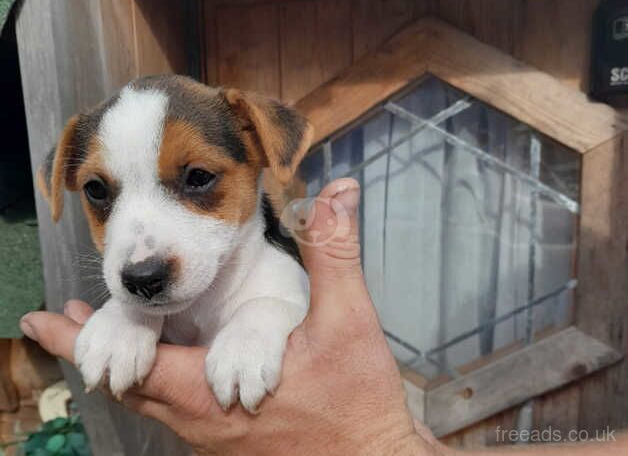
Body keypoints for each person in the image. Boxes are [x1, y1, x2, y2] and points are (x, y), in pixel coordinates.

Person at [20, 179, 627, 455]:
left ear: (263, 160)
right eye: (101, 193)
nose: (141, 246)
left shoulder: (272, 271)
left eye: (197, 180)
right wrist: (130, 315)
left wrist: (374, 445)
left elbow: (284, 307)